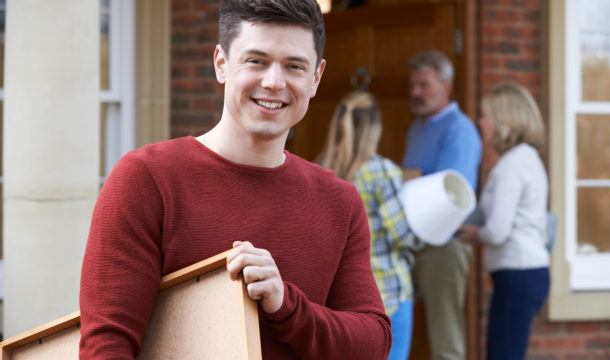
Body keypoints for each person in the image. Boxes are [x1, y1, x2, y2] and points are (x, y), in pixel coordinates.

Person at [79, 1, 391, 359]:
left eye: (294, 66)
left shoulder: (340, 202)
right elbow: (106, 346)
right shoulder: (147, 180)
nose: (274, 82)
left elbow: (373, 343)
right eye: (256, 61)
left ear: (316, 77)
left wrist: (287, 306)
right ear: (221, 63)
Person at [317, 91, 422, 360]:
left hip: (340, 297)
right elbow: (403, 236)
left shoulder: (321, 170)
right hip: (389, 291)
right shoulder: (382, 171)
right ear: (374, 129)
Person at [458, 83, 550, 360]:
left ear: (504, 121)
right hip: (529, 271)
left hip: (517, 274)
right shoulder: (529, 159)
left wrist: (470, 233)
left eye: (486, 116)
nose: (481, 122)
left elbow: (497, 231)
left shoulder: (511, 165)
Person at [402, 50, 482, 360]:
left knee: (446, 339)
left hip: (445, 246)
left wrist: (408, 177)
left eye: (424, 85)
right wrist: (414, 177)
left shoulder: (459, 129)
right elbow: (417, 180)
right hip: (412, 241)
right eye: (412, 85)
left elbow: (451, 190)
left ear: (446, 86)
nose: (415, 93)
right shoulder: (416, 127)